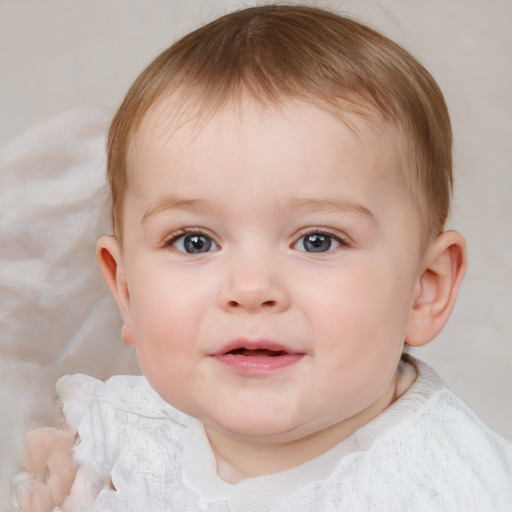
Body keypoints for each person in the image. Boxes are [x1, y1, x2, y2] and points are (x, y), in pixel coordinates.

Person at [14, 4, 512, 511]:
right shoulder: (129, 435)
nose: (251, 288)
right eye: (195, 241)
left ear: (424, 289)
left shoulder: (441, 493)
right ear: (126, 291)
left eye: (317, 240)